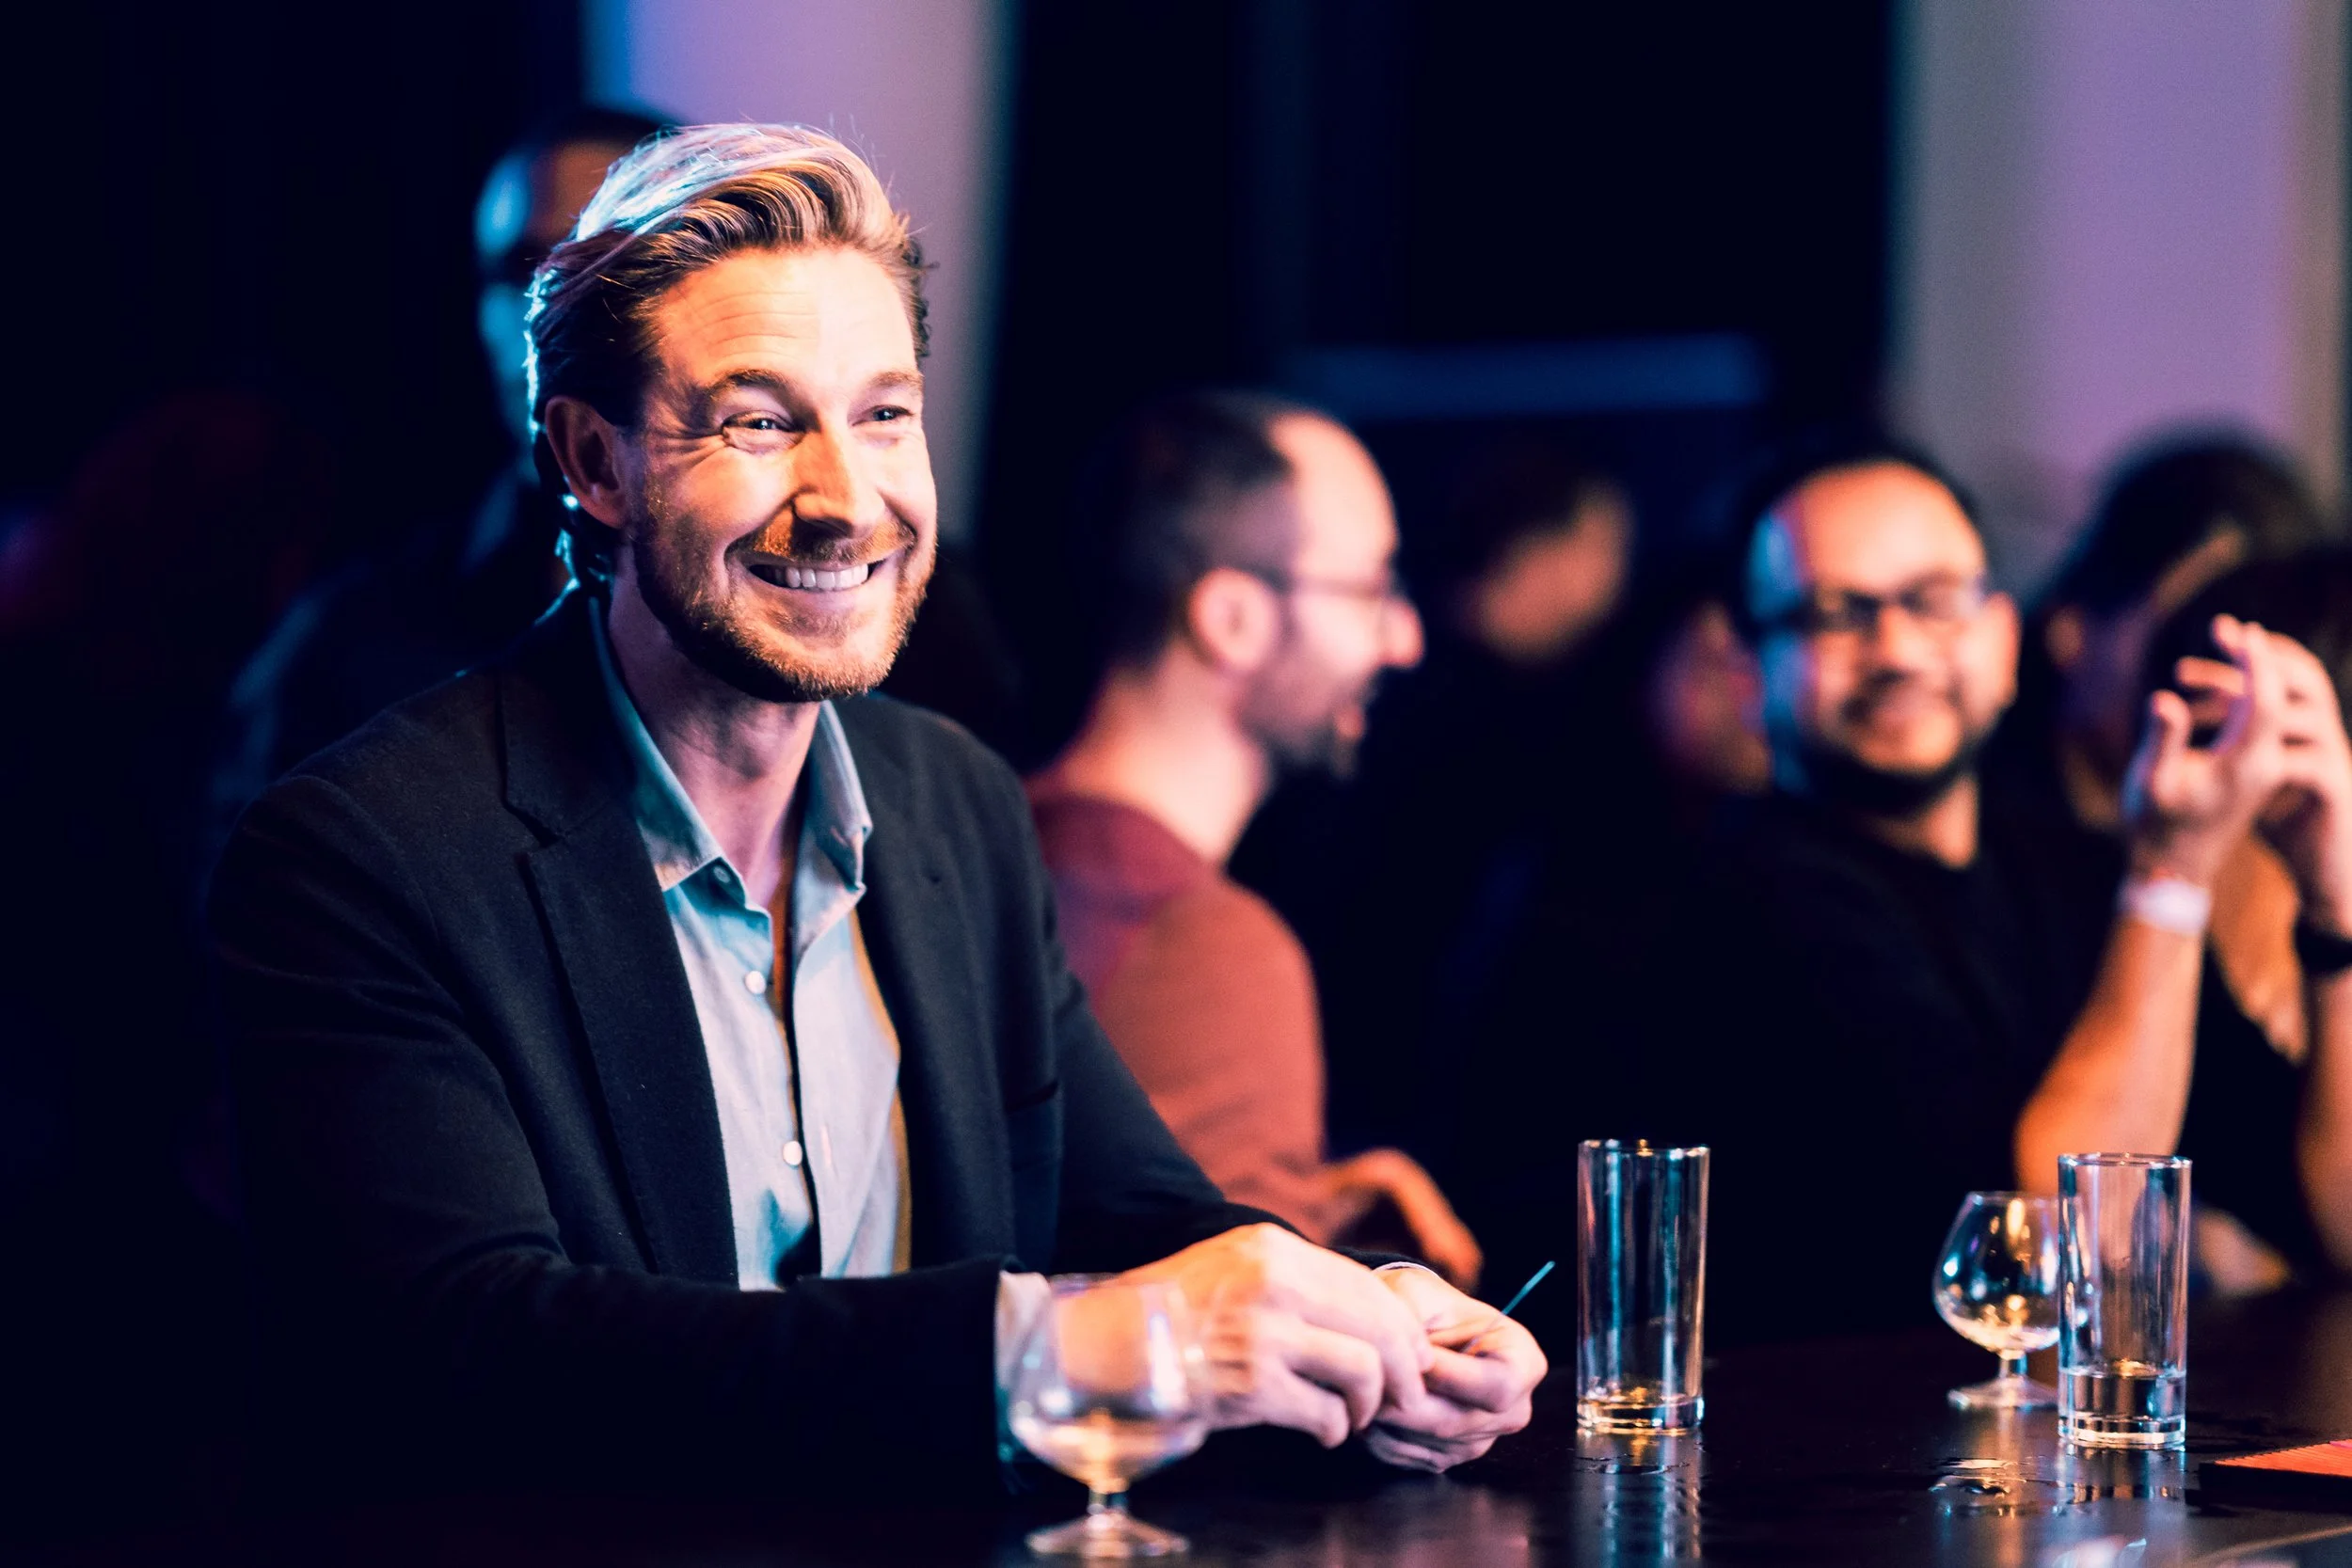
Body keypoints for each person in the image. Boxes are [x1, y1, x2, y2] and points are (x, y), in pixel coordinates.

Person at [209, 124, 1541, 1498]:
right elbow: (468, 1351)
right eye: (761, 418)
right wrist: (1034, 1351)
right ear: (595, 465)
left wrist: (1367, 1315)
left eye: (885, 412)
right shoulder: (361, 852)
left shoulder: (953, 799)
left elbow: (1139, 1214)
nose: (849, 499)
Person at [1663, 430, 2352, 1344]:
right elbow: (2034, 1264)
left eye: (1934, 600)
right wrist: (2171, 875)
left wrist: (2333, 897)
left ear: (2000, 633)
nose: (1898, 648)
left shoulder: (2075, 871)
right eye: (1834, 612)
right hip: (1835, 1472)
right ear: (1748, 671)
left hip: (2046, 1466)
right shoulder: (1734, 898)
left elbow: (2338, 1221)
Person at [1025, 391, 1481, 1288]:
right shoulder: (1211, 949)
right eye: (1372, 591)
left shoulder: (976, 842)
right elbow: (1245, 1367)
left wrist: (1299, 1205)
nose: (1406, 638)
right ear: (1231, 618)